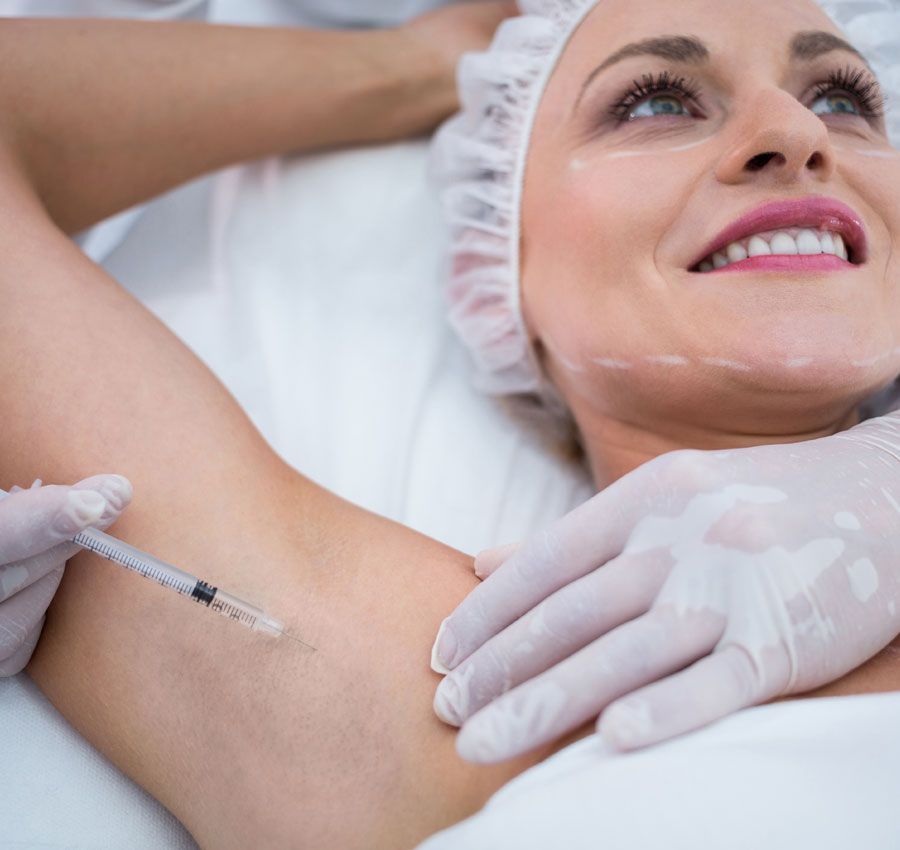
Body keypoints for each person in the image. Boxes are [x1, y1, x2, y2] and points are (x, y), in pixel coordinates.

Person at [0, 2, 899, 849]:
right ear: (502, 270)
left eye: (843, 97)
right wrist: (424, 63)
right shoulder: (463, 691)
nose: (798, 133)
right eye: (654, 101)